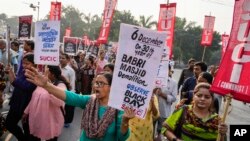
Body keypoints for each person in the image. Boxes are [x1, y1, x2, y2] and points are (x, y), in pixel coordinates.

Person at [25, 68, 135, 141]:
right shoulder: (89, 101)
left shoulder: (119, 110)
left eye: (101, 83)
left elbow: (122, 137)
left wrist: (125, 121)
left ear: (111, 87)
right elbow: (69, 96)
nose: (96, 86)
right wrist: (47, 86)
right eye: (95, 83)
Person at [162, 83, 228, 141]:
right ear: (194, 96)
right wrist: (176, 139)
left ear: (212, 99)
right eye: (199, 95)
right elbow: (165, 129)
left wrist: (222, 134)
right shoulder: (184, 111)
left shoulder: (217, 120)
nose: (202, 99)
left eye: (207, 97)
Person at [23, 66, 71, 141]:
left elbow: (59, 102)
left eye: (45, 72)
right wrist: (26, 112)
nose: (42, 74)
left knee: (50, 138)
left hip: (51, 121)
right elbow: (34, 99)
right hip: (37, 119)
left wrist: (48, 87)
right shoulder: (41, 83)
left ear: (52, 74)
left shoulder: (60, 85)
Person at [5, 54, 37, 141]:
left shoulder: (36, 76)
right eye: (23, 63)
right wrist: (10, 71)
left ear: (34, 64)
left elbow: (26, 87)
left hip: (26, 105)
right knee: (9, 124)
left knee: (28, 130)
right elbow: (14, 82)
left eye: (27, 63)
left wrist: (13, 76)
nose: (24, 65)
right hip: (16, 102)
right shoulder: (23, 71)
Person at [155, 65, 177, 138]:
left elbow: (174, 98)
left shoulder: (173, 82)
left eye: (165, 69)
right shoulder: (152, 80)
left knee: (160, 131)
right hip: (152, 111)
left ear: (169, 70)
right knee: (150, 130)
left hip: (164, 111)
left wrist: (162, 95)